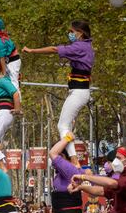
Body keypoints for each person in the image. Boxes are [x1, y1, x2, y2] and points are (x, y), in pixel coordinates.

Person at [23, 20, 95, 167]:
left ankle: (75, 161)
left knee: (62, 126)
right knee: (65, 126)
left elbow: (54, 49)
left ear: (80, 33)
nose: (69, 34)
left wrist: (32, 51)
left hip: (79, 92)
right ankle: (74, 160)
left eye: (71, 31)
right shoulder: (86, 46)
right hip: (79, 91)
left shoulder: (80, 46)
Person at [49, 132, 85, 213]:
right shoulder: (65, 171)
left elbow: (53, 153)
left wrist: (67, 138)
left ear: (62, 156)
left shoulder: (69, 169)